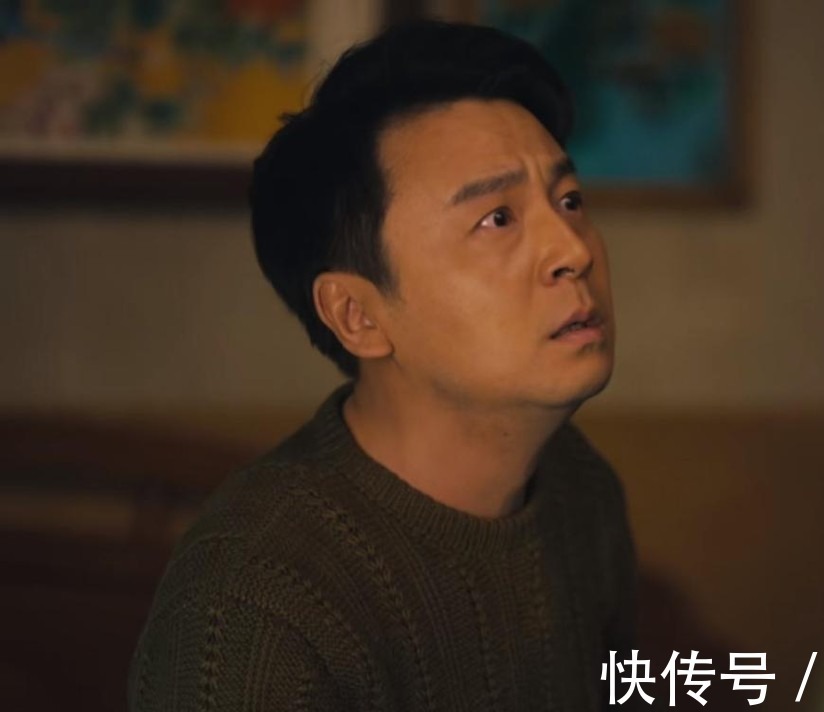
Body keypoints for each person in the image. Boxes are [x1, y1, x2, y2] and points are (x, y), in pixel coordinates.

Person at [128, 19, 637, 711]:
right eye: (497, 219)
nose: (573, 250)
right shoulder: (250, 604)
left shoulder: (580, 490)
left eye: (569, 200)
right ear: (357, 316)